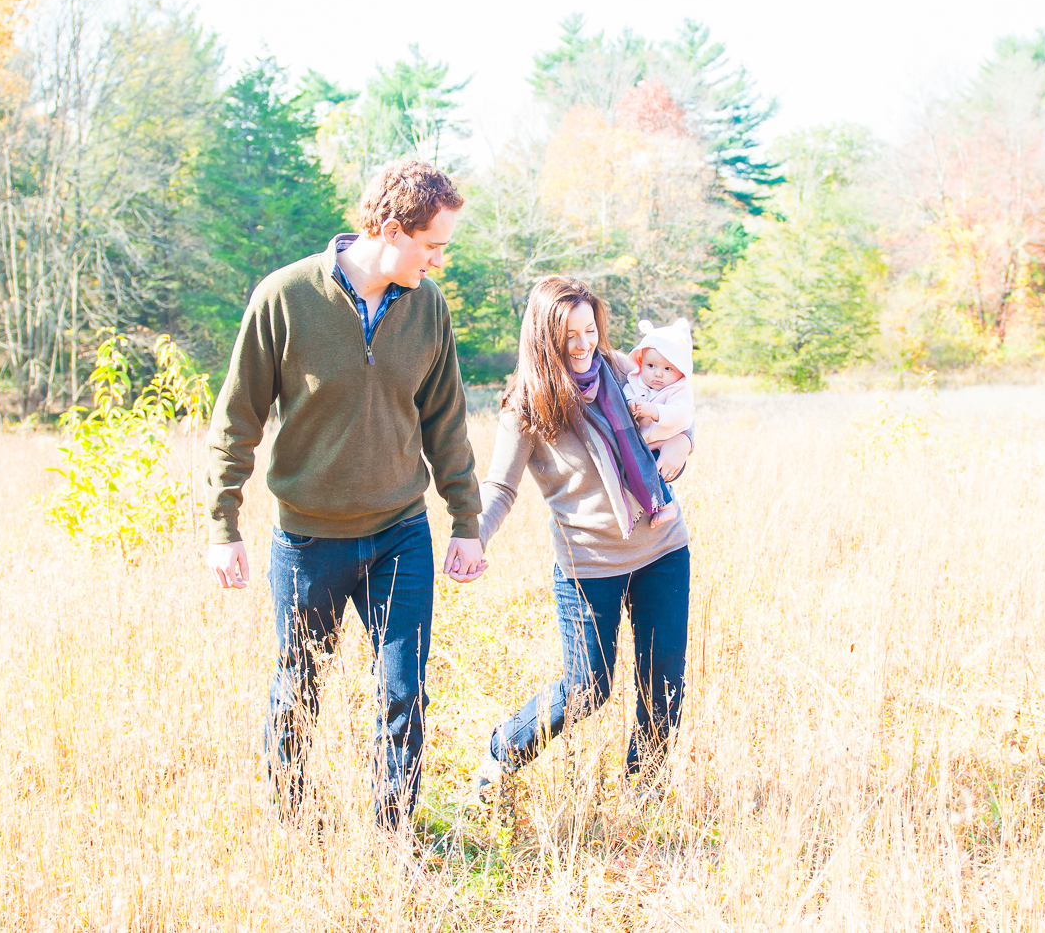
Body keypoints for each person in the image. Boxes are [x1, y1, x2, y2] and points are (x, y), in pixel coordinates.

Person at [203, 160, 486, 830]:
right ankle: (291, 827)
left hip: (400, 534)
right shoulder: (284, 297)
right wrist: (223, 526)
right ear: (391, 230)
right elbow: (236, 418)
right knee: (296, 690)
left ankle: (394, 836)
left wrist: (466, 520)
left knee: (402, 692)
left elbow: (446, 421)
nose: (439, 262)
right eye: (432, 246)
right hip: (307, 540)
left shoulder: (428, 309)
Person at [472, 275, 693, 800]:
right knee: (587, 686)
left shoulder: (621, 371)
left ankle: (646, 791)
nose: (583, 344)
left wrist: (683, 445)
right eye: (569, 334)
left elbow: (678, 410)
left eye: (589, 329)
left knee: (663, 683)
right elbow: (500, 486)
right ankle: (500, 757)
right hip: (588, 562)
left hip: (663, 548)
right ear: (543, 336)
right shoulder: (527, 406)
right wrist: (471, 537)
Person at [623, 317, 695, 476]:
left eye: (668, 368)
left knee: (655, 477)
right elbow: (626, 393)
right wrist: (632, 402)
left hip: (666, 445)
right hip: (640, 445)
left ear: (681, 369)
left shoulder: (679, 389)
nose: (658, 373)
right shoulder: (636, 380)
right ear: (641, 362)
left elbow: (681, 413)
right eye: (651, 366)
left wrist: (655, 411)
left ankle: (661, 500)